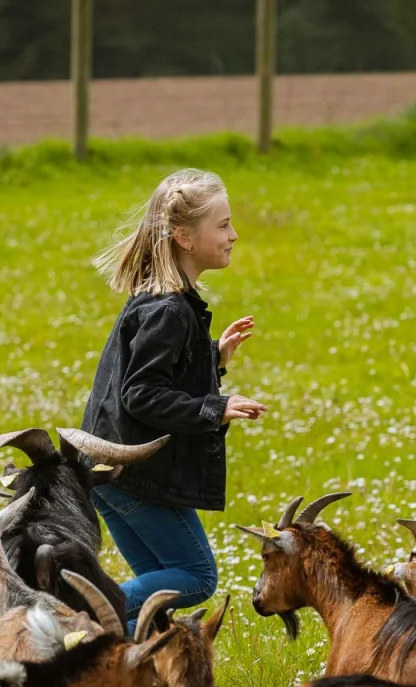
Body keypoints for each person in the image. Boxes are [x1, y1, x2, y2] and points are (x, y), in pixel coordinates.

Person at [81, 167, 267, 631]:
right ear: (184, 237)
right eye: (222, 225)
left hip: (113, 472)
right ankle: (70, 617)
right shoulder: (169, 309)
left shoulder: (164, 299)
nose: (234, 235)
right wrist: (215, 407)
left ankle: (100, 665)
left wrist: (214, 359)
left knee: (154, 593)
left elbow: (157, 375)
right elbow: (141, 393)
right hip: (133, 472)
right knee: (197, 577)